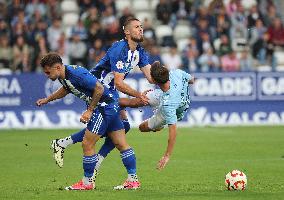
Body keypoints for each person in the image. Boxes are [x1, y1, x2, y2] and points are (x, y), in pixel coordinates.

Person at [49, 17, 153, 188]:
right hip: (99, 96)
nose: (141, 29)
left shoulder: (140, 52)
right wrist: (139, 96)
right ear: (127, 32)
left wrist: (168, 82)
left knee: (117, 137)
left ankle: (120, 179)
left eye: (141, 26)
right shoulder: (119, 49)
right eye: (136, 27)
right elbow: (119, 83)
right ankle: (98, 173)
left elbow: (151, 77)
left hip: (108, 97)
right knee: (96, 140)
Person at [36, 53, 140, 190]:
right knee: (121, 143)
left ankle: (87, 183)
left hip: (104, 107)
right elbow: (66, 89)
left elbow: (99, 88)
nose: (47, 75)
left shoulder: (77, 73)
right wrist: (47, 99)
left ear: (57, 67)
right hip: (111, 105)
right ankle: (133, 180)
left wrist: (90, 110)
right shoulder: (63, 75)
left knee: (87, 143)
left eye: (48, 72)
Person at [121, 61, 195, 170]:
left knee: (142, 128)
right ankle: (117, 103)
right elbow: (192, 79)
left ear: (154, 81)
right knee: (141, 99)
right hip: (162, 94)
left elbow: (173, 132)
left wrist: (167, 156)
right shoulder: (177, 73)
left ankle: (159, 126)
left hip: (168, 109)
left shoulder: (168, 106)